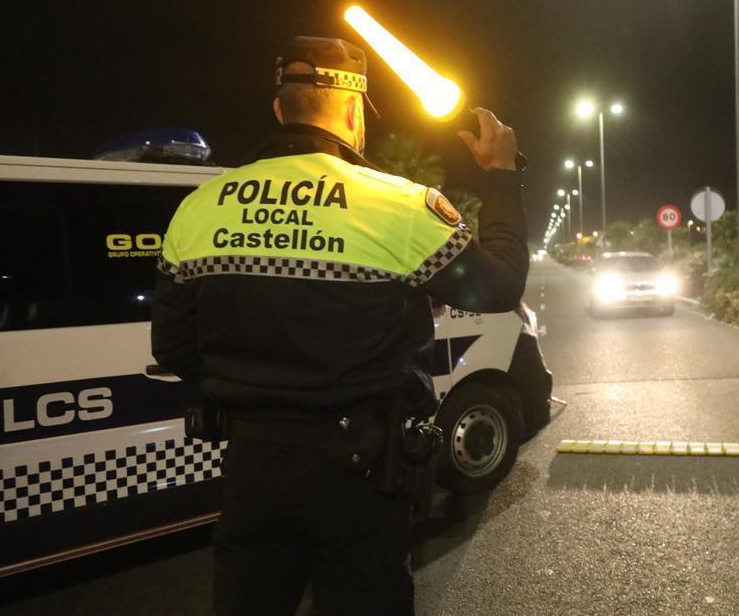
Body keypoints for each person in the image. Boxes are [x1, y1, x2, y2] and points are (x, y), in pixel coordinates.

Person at [151, 35, 528, 615]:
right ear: (353, 112)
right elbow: (499, 287)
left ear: (279, 108)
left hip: (252, 466)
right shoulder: (396, 204)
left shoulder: (201, 206)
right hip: (362, 472)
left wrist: (256, 393)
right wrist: (501, 175)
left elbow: (173, 345)